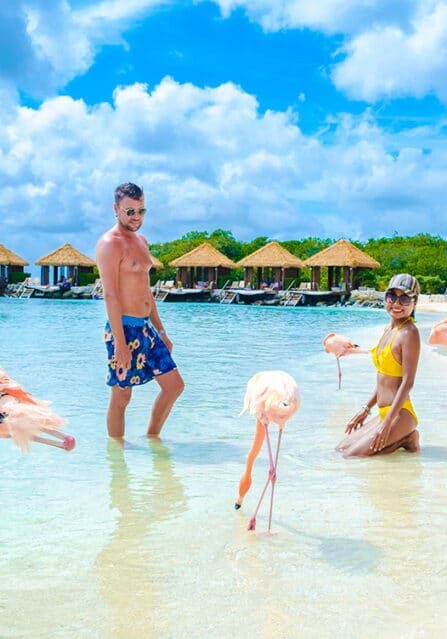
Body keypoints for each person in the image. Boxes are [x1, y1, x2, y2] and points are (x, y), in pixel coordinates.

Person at [96, 182, 184, 438]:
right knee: (122, 395)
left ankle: (153, 438)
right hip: (122, 328)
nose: (136, 217)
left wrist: (161, 330)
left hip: (146, 328)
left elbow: (146, 291)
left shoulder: (142, 241)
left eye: (141, 211)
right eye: (130, 211)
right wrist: (121, 344)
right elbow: (110, 296)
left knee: (174, 386)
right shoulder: (109, 244)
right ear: (116, 209)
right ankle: (117, 459)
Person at [336, 273, 421, 457]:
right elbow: (385, 378)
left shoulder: (409, 333)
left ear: (414, 303)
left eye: (404, 298)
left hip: (399, 415)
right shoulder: (389, 330)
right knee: (341, 449)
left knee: (353, 457)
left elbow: (408, 382)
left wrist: (388, 422)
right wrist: (366, 409)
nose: (396, 304)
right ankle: (402, 437)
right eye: (392, 296)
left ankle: (407, 438)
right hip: (385, 412)